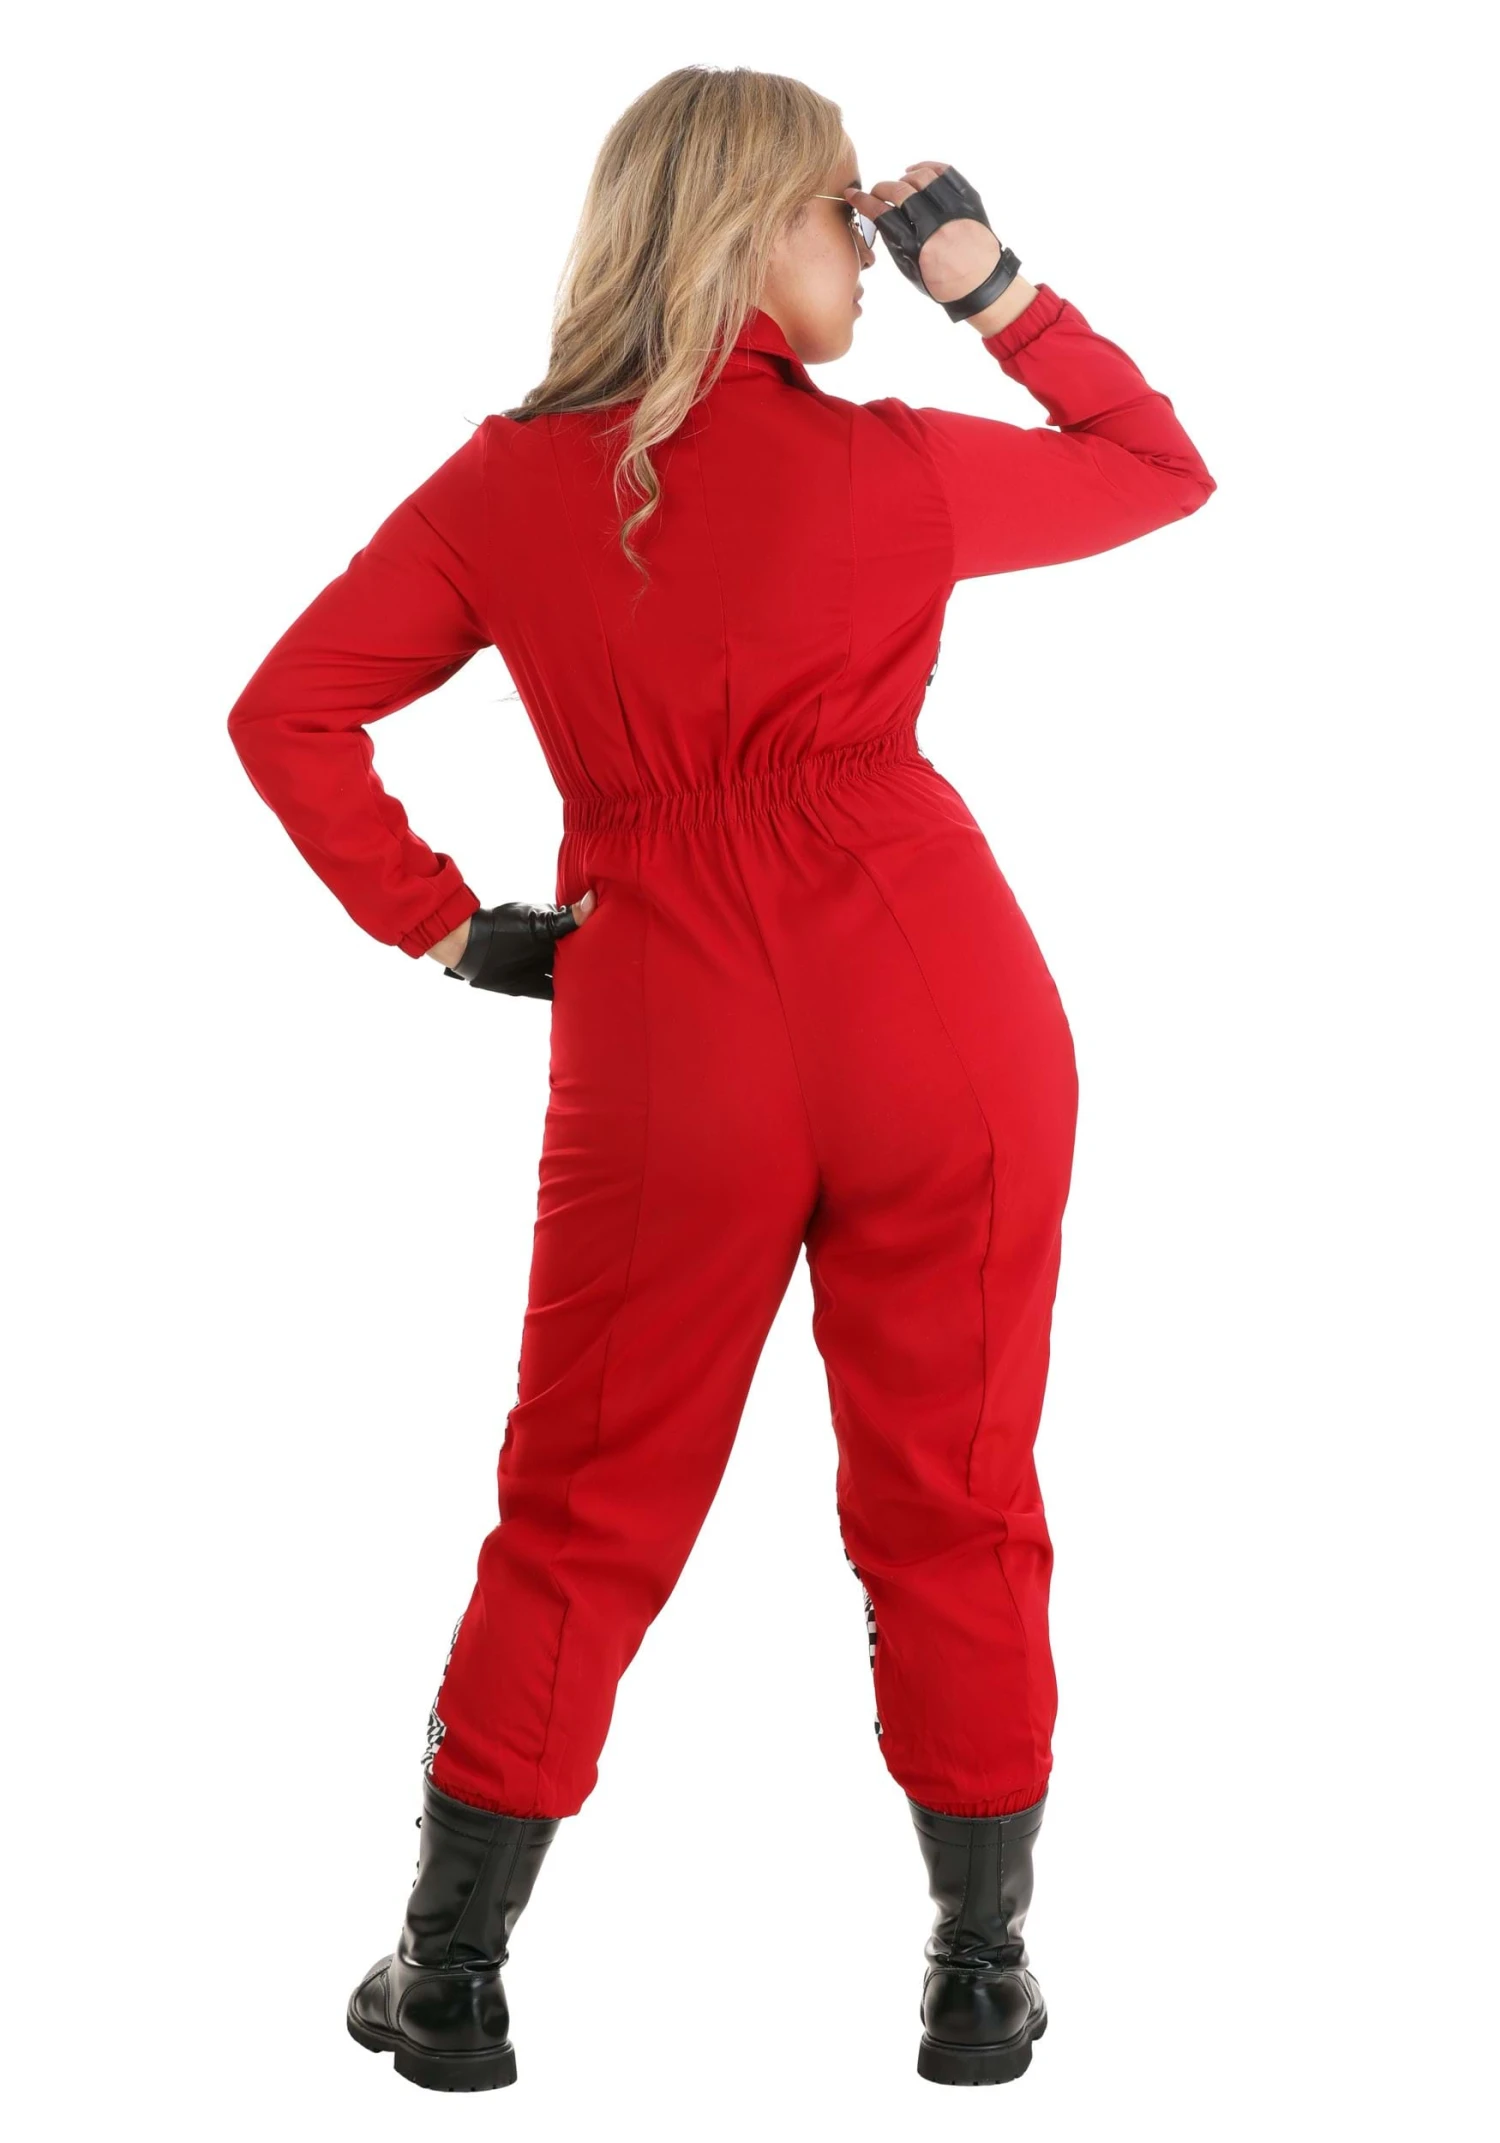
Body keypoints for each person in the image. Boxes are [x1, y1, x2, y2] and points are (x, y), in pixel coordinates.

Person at [226, 66, 1215, 2095]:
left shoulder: (505, 484)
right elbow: (1156, 468)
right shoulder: (891, 465)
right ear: (754, 226)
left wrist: (449, 927)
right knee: (956, 1491)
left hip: (668, 1020)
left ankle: (453, 1975)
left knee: (585, 1503)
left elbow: (286, 712)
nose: (866, 246)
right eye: (840, 212)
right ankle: (978, 1974)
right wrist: (992, 284)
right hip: (940, 999)